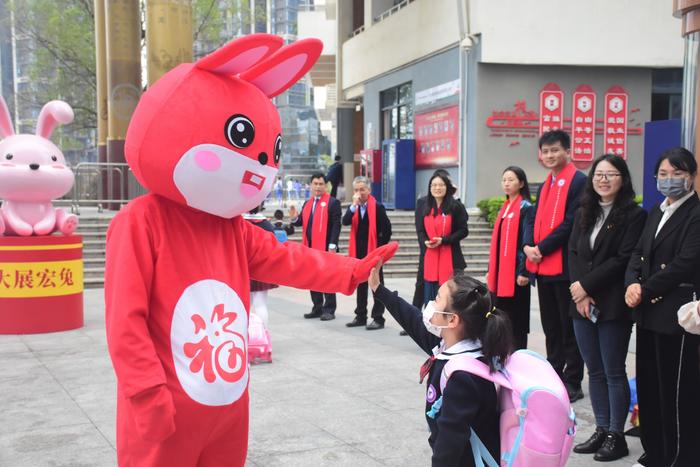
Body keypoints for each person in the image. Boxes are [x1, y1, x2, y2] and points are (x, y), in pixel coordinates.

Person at [370, 267, 512, 466]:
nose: (430, 305)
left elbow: (449, 445)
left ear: (453, 320)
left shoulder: (463, 377)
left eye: (437, 299)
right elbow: (413, 321)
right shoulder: (453, 345)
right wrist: (378, 289)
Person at [624, 147, 700, 467]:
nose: (670, 180)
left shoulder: (695, 214)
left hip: (677, 314)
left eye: (678, 174)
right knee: (651, 388)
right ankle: (654, 453)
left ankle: (680, 458)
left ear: (692, 176)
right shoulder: (657, 210)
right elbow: (638, 254)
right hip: (648, 313)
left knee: (677, 393)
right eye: (664, 174)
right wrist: (631, 282)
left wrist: (644, 288)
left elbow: (685, 263)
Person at [567, 155, 646, 461]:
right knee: (594, 371)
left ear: (623, 179)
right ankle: (601, 429)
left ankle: (617, 434)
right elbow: (573, 252)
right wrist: (579, 291)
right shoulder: (584, 211)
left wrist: (587, 286)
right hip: (581, 304)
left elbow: (623, 259)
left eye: (610, 174)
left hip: (613, 304)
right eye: (598, 174)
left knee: (614, 371)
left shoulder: (634, 215)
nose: (603, 179)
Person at [523, 129, 586, 403]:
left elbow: (572, 221)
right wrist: (528, 246)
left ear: (567, 151)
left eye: (555, 150)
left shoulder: (578, 181)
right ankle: (554, 373)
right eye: (545, 151)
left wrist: (542, 248)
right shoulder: (547, 182)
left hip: (564, 267)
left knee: (568, 326)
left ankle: (573, 380)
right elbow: (534, 217)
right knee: (551, 326)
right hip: (542, 266)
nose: (549, 155)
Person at [487, 166, 533, 350]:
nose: (506, 183)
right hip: (500, 275)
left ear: (521, 183)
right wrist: (491, 269)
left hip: (516, 276)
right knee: (500, 318)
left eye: (511, 180)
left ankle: (517, 356)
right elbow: (496, 244)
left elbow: (526, 239)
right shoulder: (505, 208)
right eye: (504, 179)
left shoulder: (526, 208)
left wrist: (523, 271)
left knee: (516, 321)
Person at [290, 172, 342, 320]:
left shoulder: (332, 202)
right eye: (315, 184)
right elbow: (301, 222)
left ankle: (329, 309)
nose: (318, 187)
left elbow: (336, 225)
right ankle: (317, 307)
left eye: (321, 184)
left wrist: (333, 245)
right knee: (313, 277)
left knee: (327, 278)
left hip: (326, 248)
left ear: (326, 186)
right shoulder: (308, 203)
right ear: (311, 186)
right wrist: (294, 218)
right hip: (310, 248)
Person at [343, 176, 392, 330]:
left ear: (369, 190)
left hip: (374, 253)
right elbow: (345, 222)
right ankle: (360, 315)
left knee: (376, 285)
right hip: (358, 252)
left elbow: (387, 229)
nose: (359, 193)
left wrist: (380, 251)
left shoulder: (377, 207)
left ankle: (378, 318)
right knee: (361, 284)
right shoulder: (354, 208)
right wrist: (352, 206)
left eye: (362, 189)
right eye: (356, 190)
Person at [417, 171, 469, 305]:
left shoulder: (455, 206)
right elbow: (421, 230)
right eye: (434, 185)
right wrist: (425, 241)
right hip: (430, 258)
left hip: (451, 259)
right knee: (431, 298)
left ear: (447, 187)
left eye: (441, 185)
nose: (437, 188)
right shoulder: (425, 206)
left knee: (451, 298)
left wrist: (444, 240)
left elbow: (463, 230)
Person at [243, 204, 279, 328]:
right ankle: (264, 335)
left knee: (244, 305)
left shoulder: (240, 224)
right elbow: (274, 248)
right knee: (261, 304)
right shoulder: (267, 225)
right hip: (262, 268)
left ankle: (243, 337)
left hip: (244, 268)